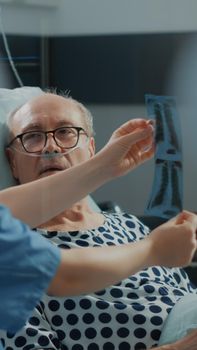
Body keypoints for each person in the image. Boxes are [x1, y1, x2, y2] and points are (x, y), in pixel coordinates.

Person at [1, 92, 197, 350]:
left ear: (92, 149)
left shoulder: (130, 225)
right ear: (13, 163)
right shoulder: (13, 253)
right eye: (32, 136)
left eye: (65, 132)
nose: (51, 147)